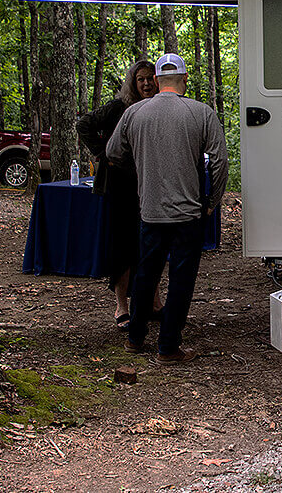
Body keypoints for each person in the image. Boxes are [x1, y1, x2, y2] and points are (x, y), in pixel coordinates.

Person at [106, 53, 229, 364]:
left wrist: (141, 166)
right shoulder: (201, 113)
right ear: (185, 79)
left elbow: (112, 152)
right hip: (187, 213)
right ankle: (168, 347)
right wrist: (211, 201)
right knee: (181, 280)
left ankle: (135, 338)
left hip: (150, 209)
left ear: (157, 80)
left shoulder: (135, 113)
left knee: (146, 274)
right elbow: (220, 161)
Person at [75, 60, 163, 330]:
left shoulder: (161, 107)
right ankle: (121, 306)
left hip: (149, 184)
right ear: (133, 83)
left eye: (150, 78)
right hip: (119, 185)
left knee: (151, 244)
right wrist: (103, 153)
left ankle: (153, 302)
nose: (146, 83)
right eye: (140, 79)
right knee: (122, 246)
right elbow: (84, 124)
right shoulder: (118, 107)